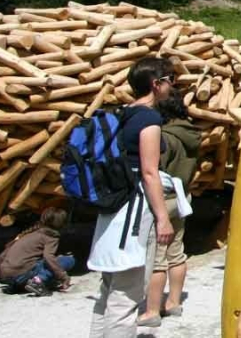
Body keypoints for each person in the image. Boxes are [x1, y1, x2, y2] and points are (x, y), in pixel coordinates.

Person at [89, 57, 176, 338]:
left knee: (108, 290)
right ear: (156, 84)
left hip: (112, 210)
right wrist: (163, 219)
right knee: (126, 296)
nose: (172, 86)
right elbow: (150, 172)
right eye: (169, 79)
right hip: (134, 215)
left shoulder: (123, 114)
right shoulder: (149, 119)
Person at [137, 95, 201, 327]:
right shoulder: (191, 133)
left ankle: (152, 311)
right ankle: (174, 302)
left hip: (163, 198)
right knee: (177, 252)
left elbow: (153, 170)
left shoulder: (164, 137)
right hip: (183, 195)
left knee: (157, 258)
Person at [0, 207, 73, 296]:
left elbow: (1, 256)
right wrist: (63, 276)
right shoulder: (51, 237)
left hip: (6, 277)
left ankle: (17, 286)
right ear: (63, 224)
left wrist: (4, 276)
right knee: (68, 260)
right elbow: (48, 257)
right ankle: (38, 281)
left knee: (35, 263)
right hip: (20, 275)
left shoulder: (30, 233)